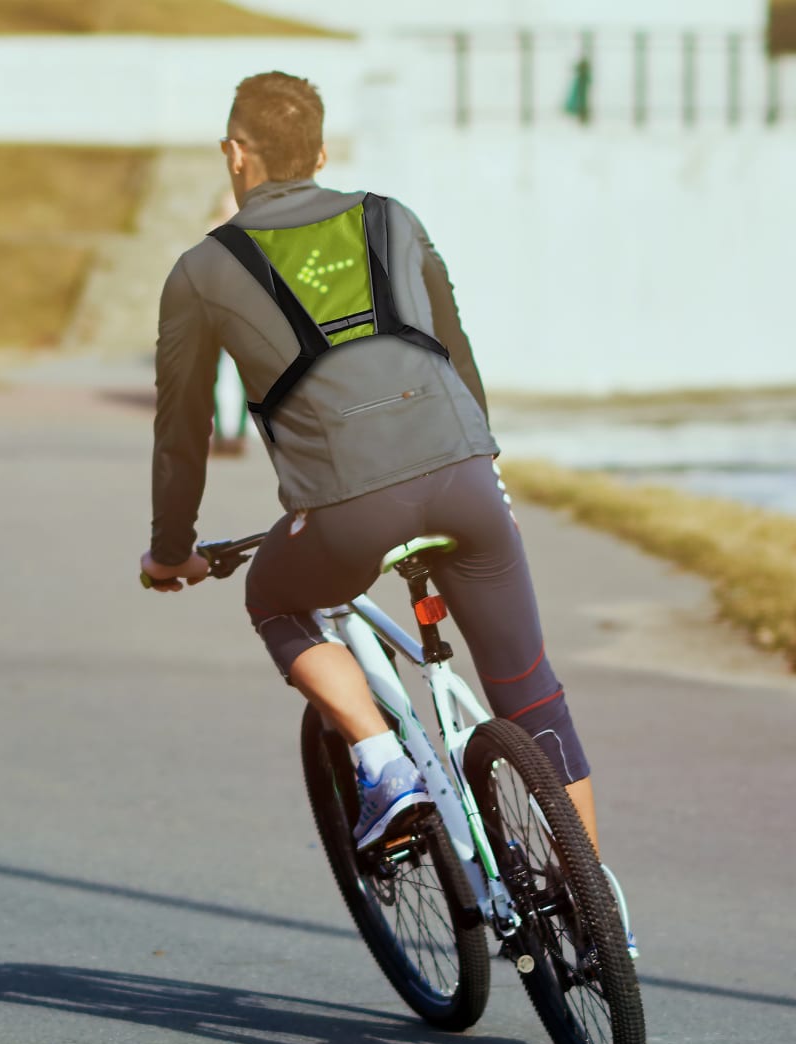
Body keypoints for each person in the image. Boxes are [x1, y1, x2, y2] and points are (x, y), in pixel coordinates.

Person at [139, 71, 602, 857]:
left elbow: (181, 430)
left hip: (350, 510)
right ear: (320, 151)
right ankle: (599, 924)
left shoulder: (201, 271)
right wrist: (477, 464)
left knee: (274, 598)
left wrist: (173, 550)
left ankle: (384, 765)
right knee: (530, 690)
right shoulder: (393, 217)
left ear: (233, 153)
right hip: (467, 478)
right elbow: (459, 355)